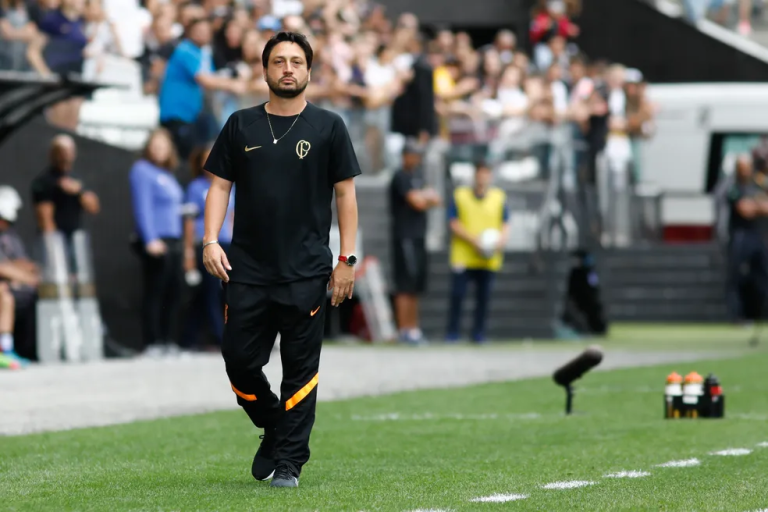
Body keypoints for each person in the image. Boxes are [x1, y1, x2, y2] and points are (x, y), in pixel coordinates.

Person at [202, 31, 361, 488]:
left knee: (300, 370)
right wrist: (211, 240)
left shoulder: (329, 126)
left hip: (307, 270)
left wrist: (346, 258)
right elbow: (219, 186)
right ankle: (273, 424)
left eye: (296, 61)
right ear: (265, 70)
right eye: (278, 61)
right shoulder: (240, 124)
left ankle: (290, 461)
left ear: (309, 71)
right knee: (239, 362)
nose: (287, 68)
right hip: (247, 269)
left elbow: (345, 194)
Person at [128, 128, 185, 357]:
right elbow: (142, 207)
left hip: (173, 239)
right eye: (155, 145)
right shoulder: (141, 170)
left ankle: (168, 340)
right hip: (156, 239)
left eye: (164, 145)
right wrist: (150, 238)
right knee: (156, 291)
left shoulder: (168, 174)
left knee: (174, 291)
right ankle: (152, 342)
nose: (159, 149)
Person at [158, 16, 245, 161]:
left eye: (206, 31)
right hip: (177, 114)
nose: (203, 34)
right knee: (182, 159)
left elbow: (213, 77)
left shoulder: (202, 54)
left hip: (191, 116)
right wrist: (233, 84)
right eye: (198, 30)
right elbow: (205, 79)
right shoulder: (186, 50)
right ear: (189, 32)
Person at [446, 162, 510, 343]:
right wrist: (475, 241)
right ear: (475, 175)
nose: (482, 177)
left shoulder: (498, 197)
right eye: (480, 174)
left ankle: (478, 334)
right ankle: (453, 334)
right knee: (458, 296)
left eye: (486, 174)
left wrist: (501, 240)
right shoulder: (460, 195)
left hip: (489, 258)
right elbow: (453, 222)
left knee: (483, 298)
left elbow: (505, 222)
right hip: (464, 256)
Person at [181, 144, 234, 351]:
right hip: (206, 245)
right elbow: (189, 221)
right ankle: (222, 338)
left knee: (212, 294)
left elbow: (232, 217)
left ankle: (189, 338)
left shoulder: (232, 186)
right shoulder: (196, 187)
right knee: (211, 292)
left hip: (228, 244)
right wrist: (188, 253)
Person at [388, 139, 440, 345]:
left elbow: (435, 198)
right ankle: (404, 329)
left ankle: (413, 328)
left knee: (416, 284)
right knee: (404, 284)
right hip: (404, 236)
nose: (416, 159)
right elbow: (417, 202)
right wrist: (423, 197)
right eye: (413, 155)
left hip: (418, 236)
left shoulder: (418, 176)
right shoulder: (400, 176)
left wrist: (423, 197)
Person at [30, 134, 100, 278]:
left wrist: (79, 191)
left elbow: (93, 207)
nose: (66, 155)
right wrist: (54, 249)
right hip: (55, 242)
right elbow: (45, 218)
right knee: (57, 278)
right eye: (61, 151)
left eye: (69, 151)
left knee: (79, 278)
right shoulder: (44, 181)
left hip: (75, 240)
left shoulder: (76, 179)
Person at [0, 185, 40, 366]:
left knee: (5, 297)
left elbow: (19, 263)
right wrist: (27, 278)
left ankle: (5, 351)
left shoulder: (10, 236)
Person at [726, 155, 768, 322]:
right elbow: (745, 210)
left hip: (756, 235)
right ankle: (737, 316)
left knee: (763, 274)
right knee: (736, 276)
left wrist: (756, 205)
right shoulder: (734, 188)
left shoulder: (757, 186)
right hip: (740, 236)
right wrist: (758, 205)